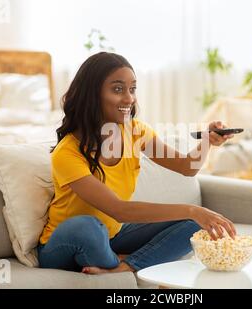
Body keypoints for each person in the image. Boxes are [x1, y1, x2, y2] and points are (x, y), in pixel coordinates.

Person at [38, 52, 237, 275]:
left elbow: (187, 167)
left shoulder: (135, 132)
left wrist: (208, 140)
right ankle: (136, 259)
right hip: (63, 246)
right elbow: (119, 210)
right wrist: (193, 209)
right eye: (117, 89)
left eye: (132, 89)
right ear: (92, 94)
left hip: (113, 236)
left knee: (194, 225)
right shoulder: (68, 152)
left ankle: (123, 266)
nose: (129, 99)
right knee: (88, 227)